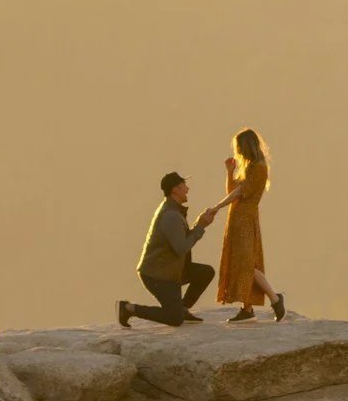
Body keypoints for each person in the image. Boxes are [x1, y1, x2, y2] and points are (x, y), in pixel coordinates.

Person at [119, 172, 221, 327]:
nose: (187, 189)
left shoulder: (174, 210)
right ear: (175, 190)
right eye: (183, 186)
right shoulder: (171, 215)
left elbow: (181, 240)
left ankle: (183, 309)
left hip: (171, 269)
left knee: (205, 273)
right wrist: (200, 226)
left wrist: (199, 224)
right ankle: (128, 308)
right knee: (174, 319)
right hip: (158, 275)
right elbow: (181, 248)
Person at [217, 127, 286, 321]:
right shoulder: (248, 167)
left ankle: (275, 299)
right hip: (238, 218)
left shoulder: (258, 167)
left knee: (247, 264)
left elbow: (240, 193)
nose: (237, 151)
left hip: (246, 219)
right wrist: (230, 173)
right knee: (241, 263)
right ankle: (247, 308)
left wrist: (218, 206)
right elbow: (232, 189)